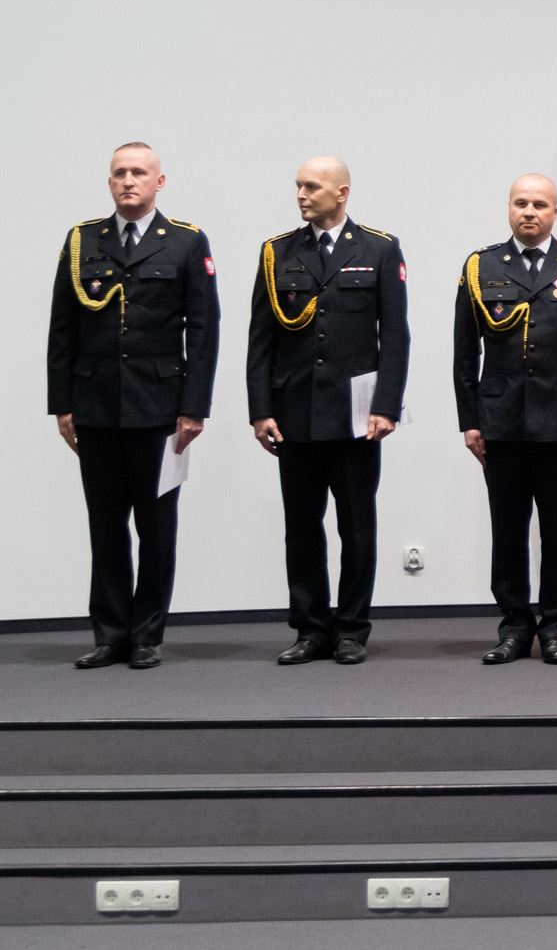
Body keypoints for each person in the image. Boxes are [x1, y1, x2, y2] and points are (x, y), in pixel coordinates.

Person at [46, 142, 220, 670]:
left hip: (160, 408)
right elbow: (62, 327)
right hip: (96, 404)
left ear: (158, 182)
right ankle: (110, 633)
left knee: (157, 527)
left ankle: (147, 635)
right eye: (119, 173)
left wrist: (194, 407)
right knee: (105, 526)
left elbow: (203, 330)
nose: (128, 181)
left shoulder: (186, 242)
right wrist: (62, 404)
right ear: (109, 182)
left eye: (139, 173)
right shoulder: (83, 241)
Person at [247, 157, 409, 666]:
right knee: (301, 527)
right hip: (294, 413)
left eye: (312, 187)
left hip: (356, 418)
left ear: (342, 192)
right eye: (298, 186)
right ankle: (311, 628)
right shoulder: (277, 252)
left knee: (357, 528)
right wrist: (260, 409)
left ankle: (352, 629)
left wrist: (387, 406)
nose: (301, 194)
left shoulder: (379, 249)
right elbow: (261, 340)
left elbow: (395, 335)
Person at [454, 174, 557, 666]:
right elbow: (464, 353)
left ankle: (556, 628)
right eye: (521, 203)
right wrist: (469, 420)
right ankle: (515, 627)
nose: (529, 211)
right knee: (508, 530)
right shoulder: (481, 266)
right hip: (499, 420)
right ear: (509, 207)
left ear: (555, 212)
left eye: (540, 204)